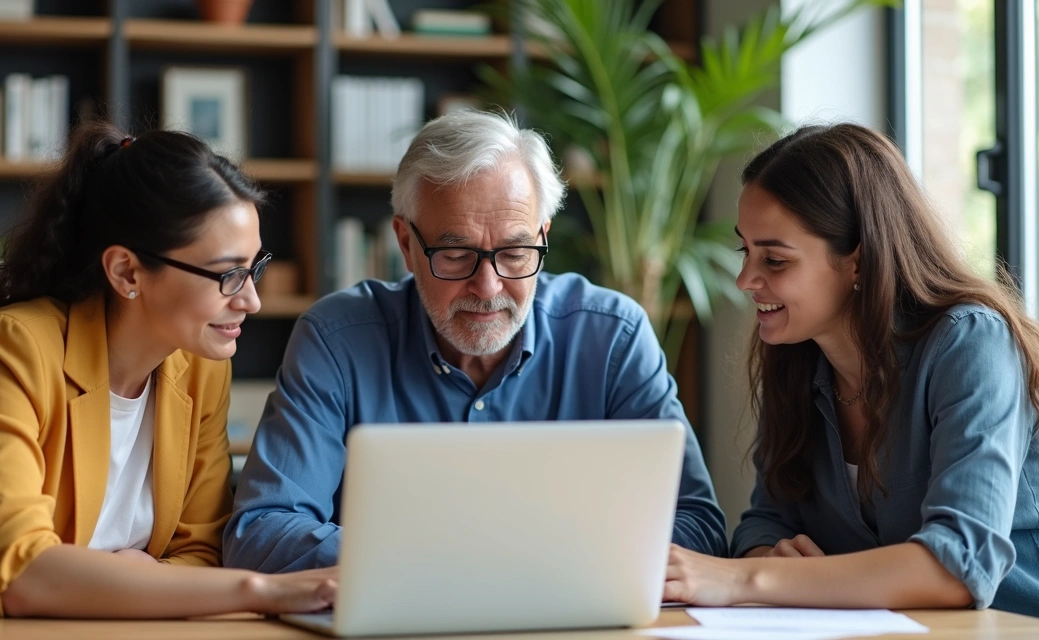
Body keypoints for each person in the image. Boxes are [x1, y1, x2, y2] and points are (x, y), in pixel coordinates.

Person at [0, 123, 336, 638]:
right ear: (127, 273)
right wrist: (261, 589)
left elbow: (202, 549)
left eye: (255, 268)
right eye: (227, 274)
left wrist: (148, 578)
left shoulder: (202, 367)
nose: (250, 299)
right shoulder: (9, 350)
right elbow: (16, 573)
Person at [223, 109, 727, 576]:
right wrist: (476, 566)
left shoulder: (613, 336)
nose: (488, 288)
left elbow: (698, 528)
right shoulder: (338, 339)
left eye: (513, 253)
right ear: (405, 244)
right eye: (457, 254)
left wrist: (449, 565)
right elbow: (262, 533)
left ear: (543, 237)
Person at [662, 123, 1039, 625]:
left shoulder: (971, 343)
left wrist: (740, 580)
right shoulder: (795, 358)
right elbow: (766, 521)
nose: (746, 280)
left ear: (859, 261)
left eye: (774, 259)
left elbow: (960, 564)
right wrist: (768, 561)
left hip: (1033, 628)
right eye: (746, 251)